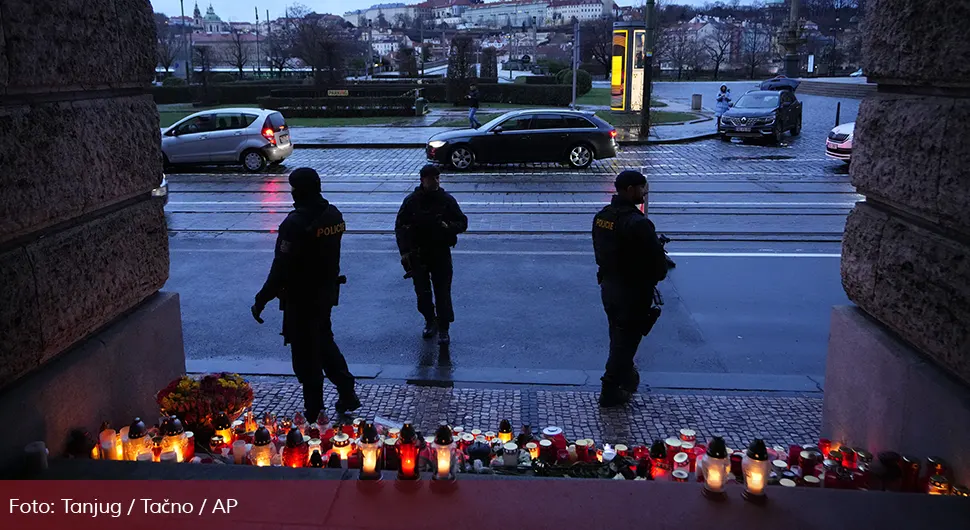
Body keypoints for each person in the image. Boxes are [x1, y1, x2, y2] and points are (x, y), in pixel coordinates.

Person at [251, 168, 361, 419]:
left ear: (299, 190)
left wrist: (262, 299)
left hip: (301, 299)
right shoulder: (333, 215)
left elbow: (280, 267)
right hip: (325, 294)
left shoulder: (294, 223)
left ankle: (315, 411)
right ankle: (346, 390)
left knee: (305, 355)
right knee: (324, 342)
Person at [591, 170, 671, 408]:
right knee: (626, 341)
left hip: (609, 287)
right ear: (630, 190)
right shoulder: (639, 223)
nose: (645, 193)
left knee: (617, 335)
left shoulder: (602, 216)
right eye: (642, 188)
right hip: (634, 291)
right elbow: (658, 265)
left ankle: (626, 376)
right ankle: (610, 388)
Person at [395, 165, 469, 346]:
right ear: (422, 180)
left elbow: (462, 222)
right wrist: (404, 252)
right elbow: (400, 227)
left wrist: (448, 227)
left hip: (440, 252)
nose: (435, 181)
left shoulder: (446, 200)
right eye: (431, 178)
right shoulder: (412, 201)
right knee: (423, 292)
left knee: (443, 292)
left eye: (437, 178)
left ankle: (444, 327)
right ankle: (430, 320)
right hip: (418, 253)